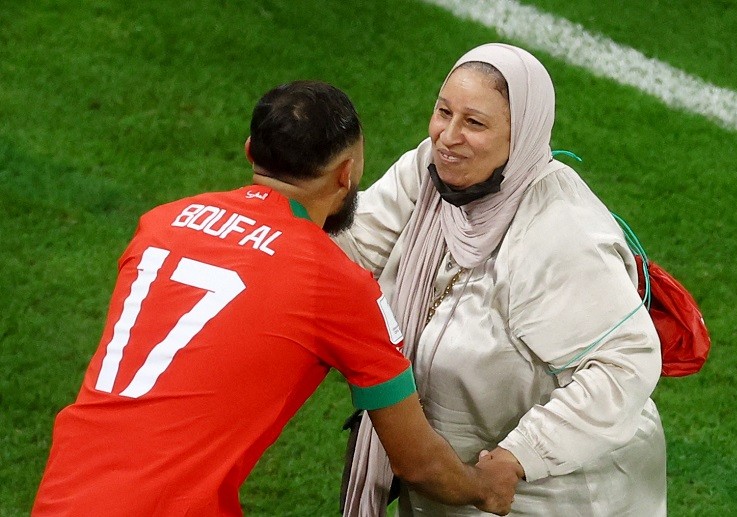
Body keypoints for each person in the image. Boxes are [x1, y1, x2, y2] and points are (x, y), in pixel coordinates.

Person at [31, 81, 523, 516]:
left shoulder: (161, 222)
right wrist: (485, 488)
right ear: (345, 173)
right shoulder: (335, 284)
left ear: (250, 151)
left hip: (63, 496)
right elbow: (418, 464)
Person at [337, 44, 667, 516]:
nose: (448, 137)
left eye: (474, 123)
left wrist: (519, 458)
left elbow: (625, 364)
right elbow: (353, 246)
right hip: (457, 485)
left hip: (557, 494)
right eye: (443, 112)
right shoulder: (432, 175)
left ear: (523, 137)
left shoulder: (560, 234)